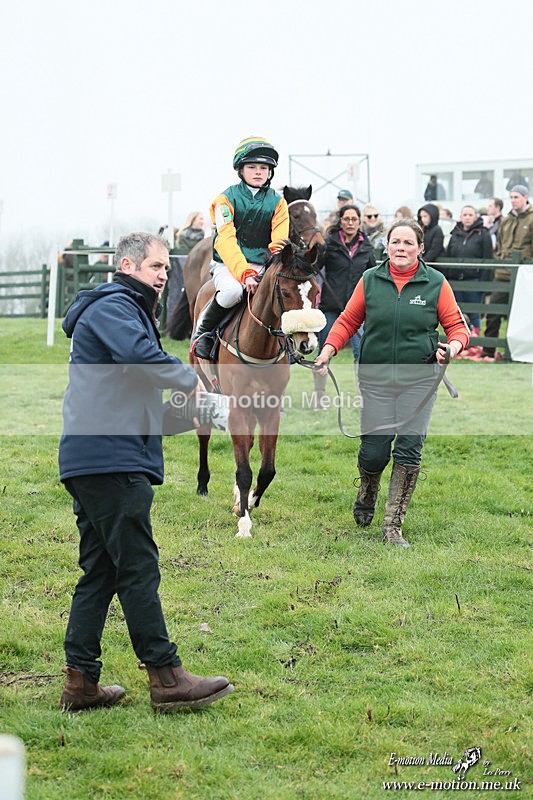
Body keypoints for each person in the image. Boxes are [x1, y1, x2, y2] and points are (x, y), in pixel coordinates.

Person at [58, 231, 234, 712]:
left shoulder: (121, 312)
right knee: (137, 568)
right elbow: (145, 362)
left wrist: (200, 414)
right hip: (110, 462)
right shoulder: (114, 307)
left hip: (98, 456)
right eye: (155, 268)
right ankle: (166, 676)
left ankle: (80, 683)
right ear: (127, 265)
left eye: (165, 269)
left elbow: (130, 401)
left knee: (101, 571)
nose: (164, 277)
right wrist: (194, 382)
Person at [314, 219, 469, 548]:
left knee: (409, 448)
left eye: (408, 243)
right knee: (373, 452)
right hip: (376, 380)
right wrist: (327, 351)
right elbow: (347, 320)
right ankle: (367, 493)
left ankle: (392, 525)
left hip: (420, 381)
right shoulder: (370, 280)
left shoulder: (435, 283)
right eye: (396, 242)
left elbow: (458, 327)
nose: (401, 248)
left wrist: (451, 348)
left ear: (420, 248)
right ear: (387, 246)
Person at [190, 137, 289, 359]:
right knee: (232, 292)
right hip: (227, 263)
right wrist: (245, 275)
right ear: (241, 170)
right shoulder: (225, 199)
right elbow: (226, 240)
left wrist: (270, 270)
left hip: (263, 265)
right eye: (252, 167)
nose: (258, 172)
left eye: (264, 167)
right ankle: (203, 334)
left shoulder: (279, 203)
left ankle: (289, 345)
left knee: (284, 294)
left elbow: (279, 243)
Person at [313, 204, 376, 407]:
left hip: (357, 310)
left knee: (363, 352)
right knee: (325, 350)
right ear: (340, 221)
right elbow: (314, 267)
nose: (350, 223)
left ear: (360, 222)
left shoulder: (366, 247)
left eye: (354, 219)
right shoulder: (330, 244)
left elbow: (373, 275)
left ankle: (363, 396)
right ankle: (319, 395)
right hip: (331, 307)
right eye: (346, 219)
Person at [480, 184, 533, 360]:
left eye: (516, 197)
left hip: (524, 275)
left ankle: (518, 352)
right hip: (502, 274)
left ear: (526, 197)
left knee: (523, 317)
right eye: (511, 197)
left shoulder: (531, 219)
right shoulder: (507, 220)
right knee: (493, 311)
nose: (513, 201)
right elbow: (500, 245)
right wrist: (499, 260)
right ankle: (488, 351)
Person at [446, 205, 493, 337]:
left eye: (470, 215)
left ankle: (475, 342)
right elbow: (449, 256)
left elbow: (488, 258)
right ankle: (459, 340)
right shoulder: (454, 234)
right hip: (456, 280)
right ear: (460, 217)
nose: (467, 218)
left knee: (474, 313)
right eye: (464, 215)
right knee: (457, 313)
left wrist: (483, 284)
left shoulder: (483, 234)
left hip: (474, 280)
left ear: (475, 217)